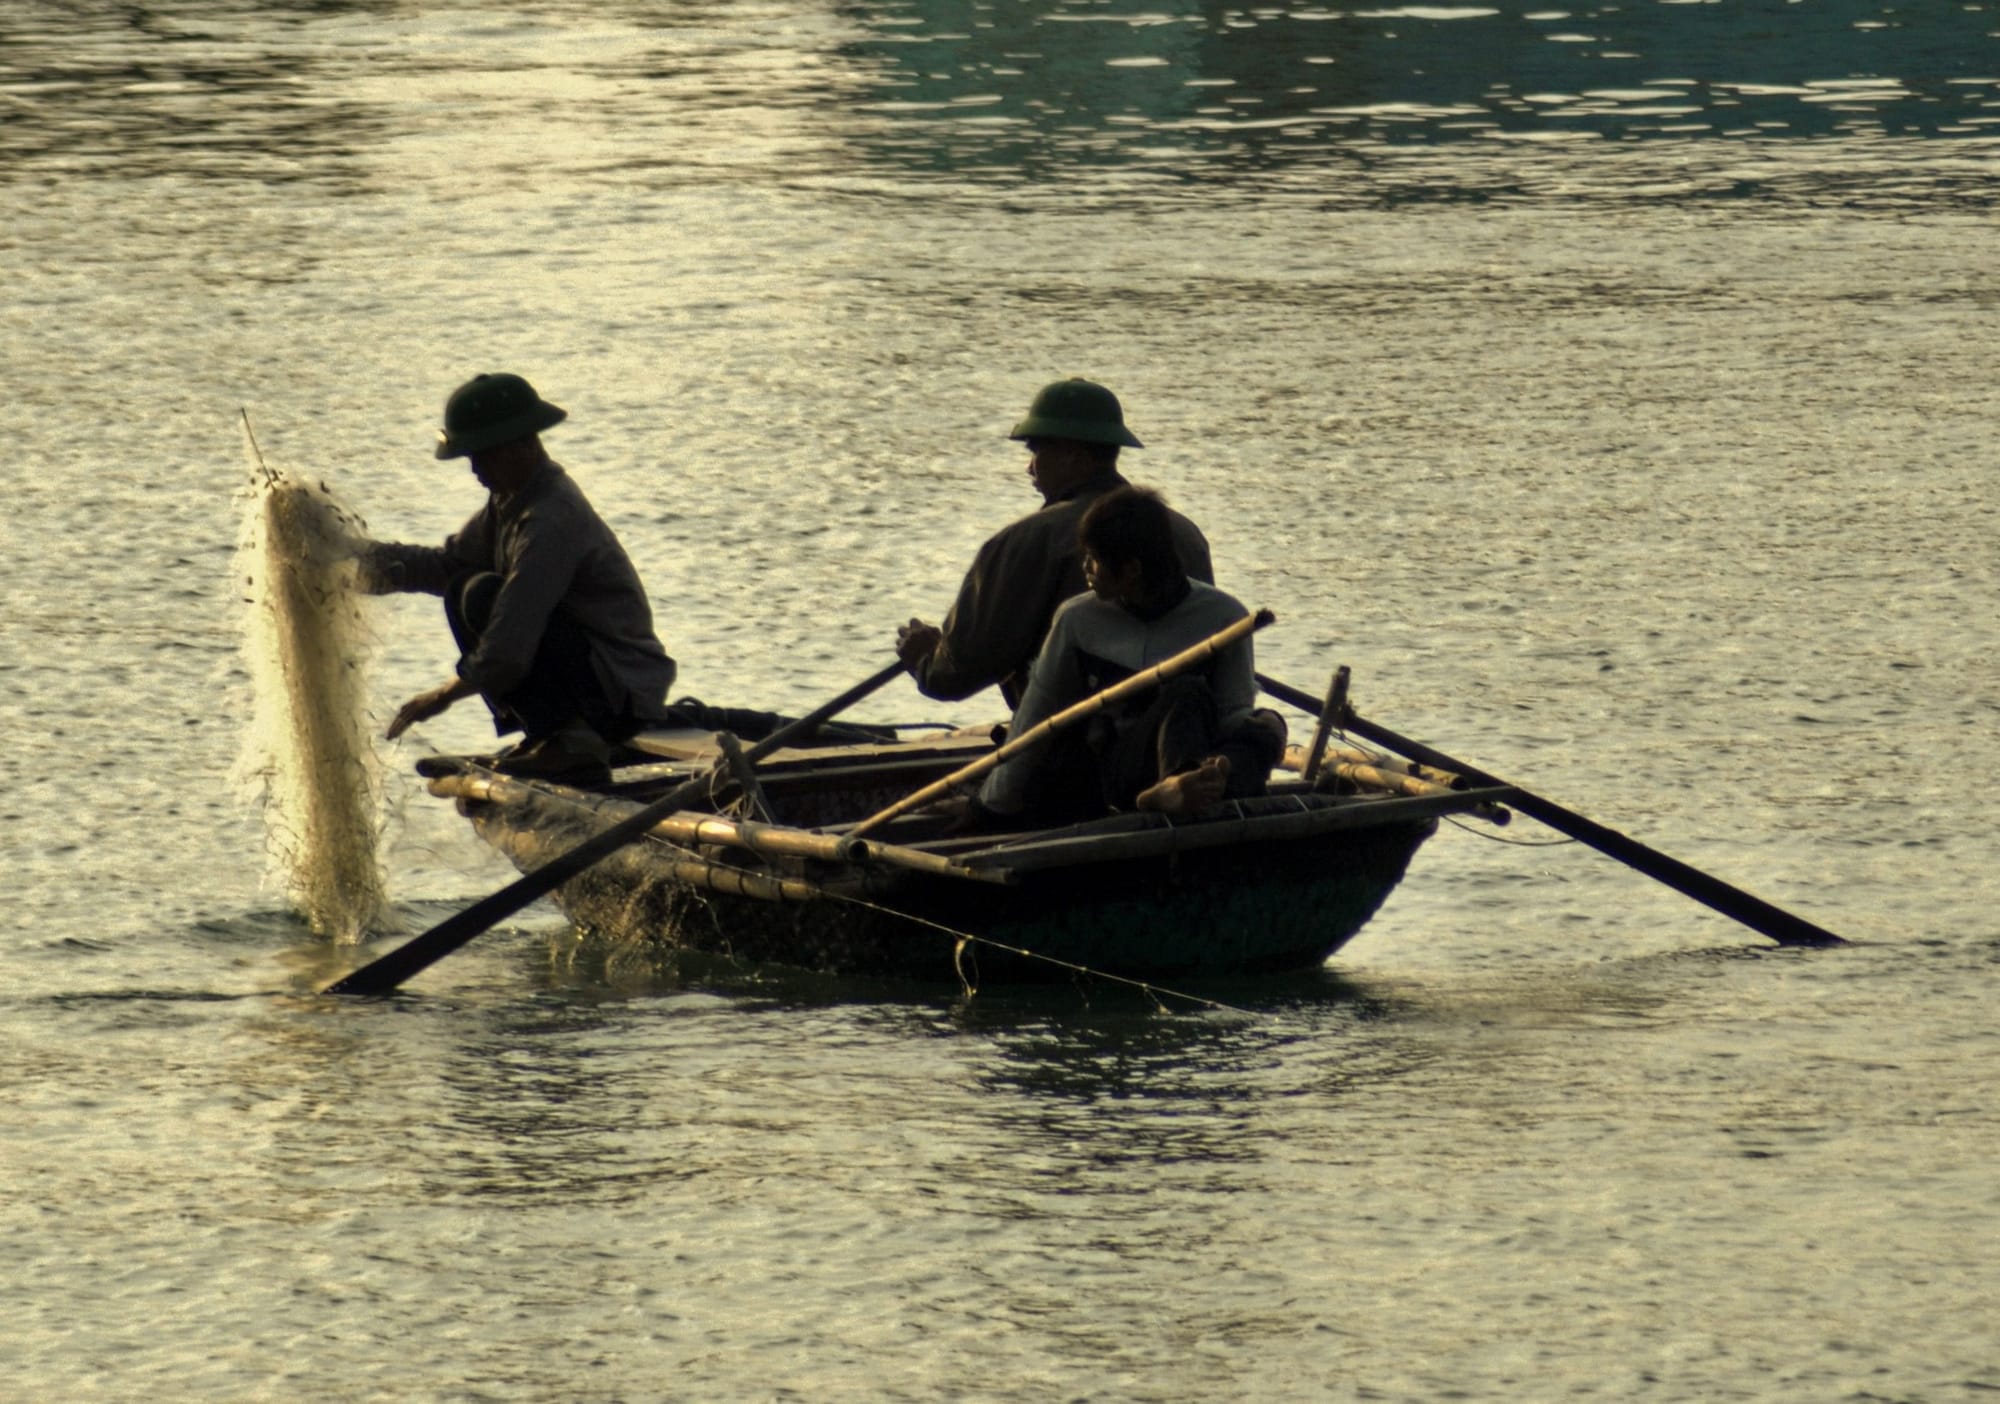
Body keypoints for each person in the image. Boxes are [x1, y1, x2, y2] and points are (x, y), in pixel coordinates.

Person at [360, 372, 677, 783]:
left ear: (523, 445)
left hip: (619, 694)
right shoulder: (508, 504)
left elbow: (512, 637)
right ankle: (552, 737)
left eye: (483, 455)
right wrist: (359, 562)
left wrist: (443, 695)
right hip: (591, 683)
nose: (474, 468)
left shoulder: (550, 519)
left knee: (480, 595)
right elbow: (447, 566)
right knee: (462, 586)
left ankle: (575, 744)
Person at [966, 485, 1286, 828]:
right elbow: (1037, 715)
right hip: (1113, 776)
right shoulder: (1077, 619)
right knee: (1187, 691)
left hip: (1197, 760)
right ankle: (1175, 790)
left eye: (1094, 559)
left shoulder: (1225, 617)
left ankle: (1192, 784)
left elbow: (1232, 715)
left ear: (1131, 570)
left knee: (1267, 726)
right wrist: (989, 809)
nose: (1086, 567)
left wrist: (1227, 764)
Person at [896, 378, 1213, 710]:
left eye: (1036, 450)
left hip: (1069, 743)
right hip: (1177, 729)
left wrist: (926, 661)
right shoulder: (1187, 534)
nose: (1029, 467)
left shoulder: (1028, 540)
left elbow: (955, 675)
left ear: (1073, 455)